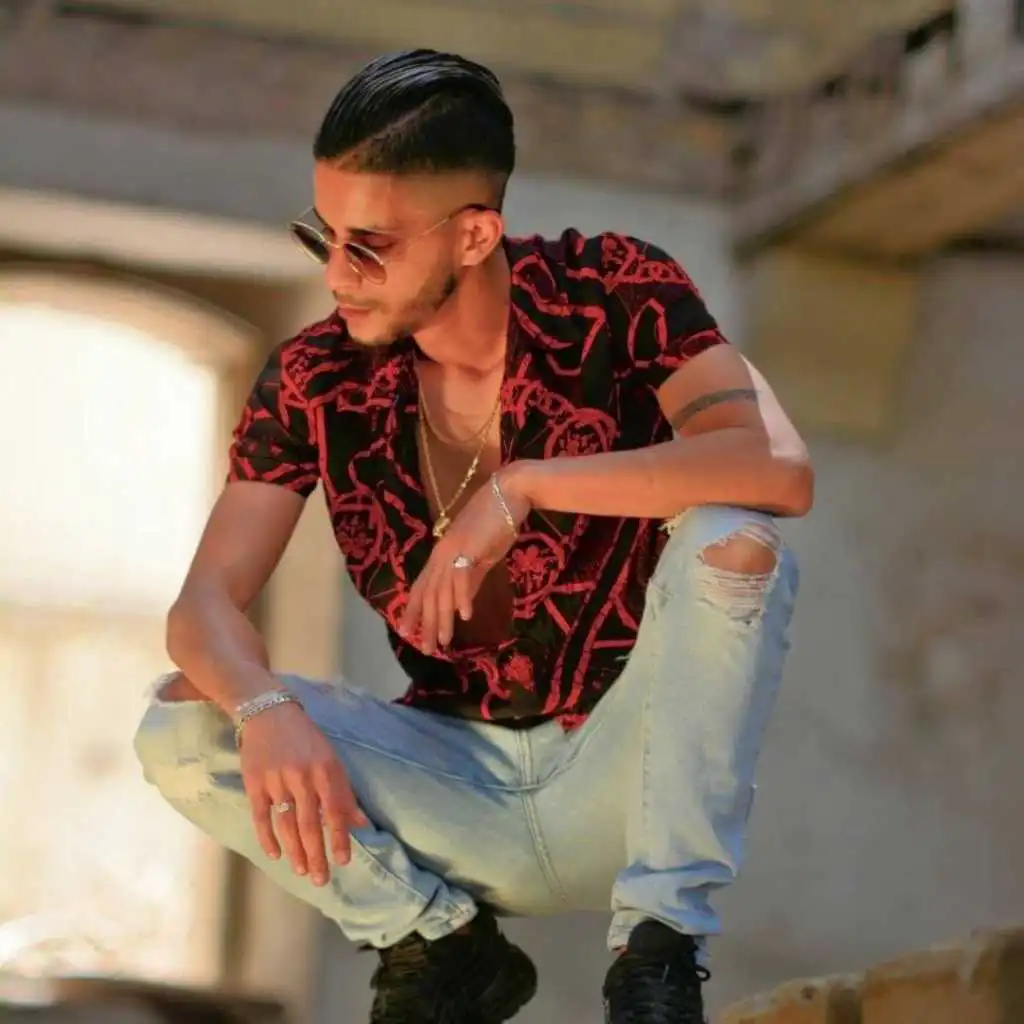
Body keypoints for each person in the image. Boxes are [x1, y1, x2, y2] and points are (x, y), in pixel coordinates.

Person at [134, 48, 812, 1024]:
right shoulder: (318, 378)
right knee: (181, 721)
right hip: (454, 790)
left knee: (734, 532)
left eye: (369, 247)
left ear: (473, 234)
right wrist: (265, 708)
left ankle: (659, 950)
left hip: (628, 777)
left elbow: (773, 469)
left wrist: (521, 487)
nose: (337, 275)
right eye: (324, 236)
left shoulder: (608, 291)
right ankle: (440, 944)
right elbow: (202, 606)